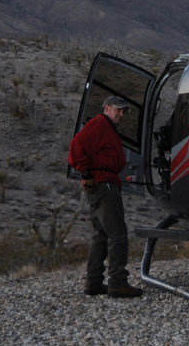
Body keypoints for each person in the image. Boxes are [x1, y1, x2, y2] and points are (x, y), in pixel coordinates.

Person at [68, 95, 143, 298]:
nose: (120, 114)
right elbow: (77, 146)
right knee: (117, 235)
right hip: (104, 185)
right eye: (117, 109)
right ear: (107, 107)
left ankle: (93, 283)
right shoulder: (100, 123)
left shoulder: (107, 128)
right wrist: (85, 172)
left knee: (100, 235)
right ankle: (118, 282)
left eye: (123, 111)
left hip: (100, 184)